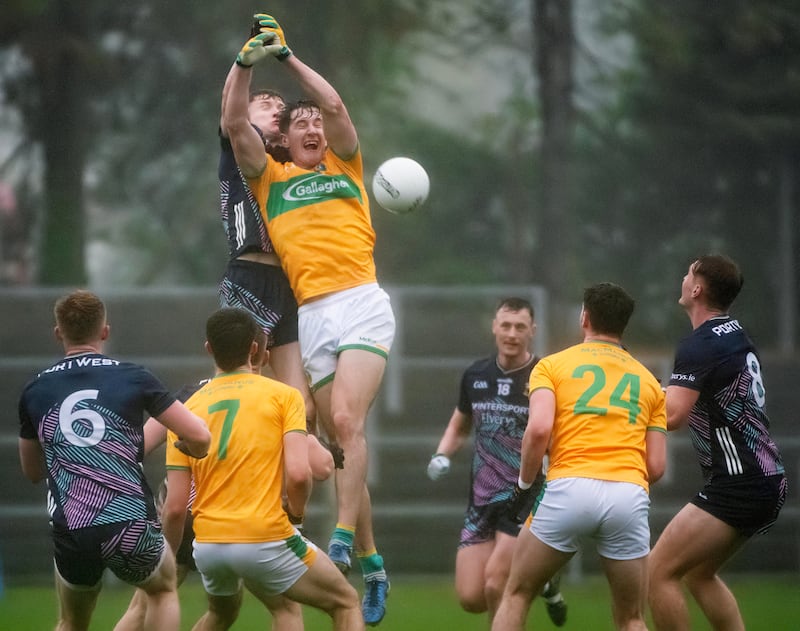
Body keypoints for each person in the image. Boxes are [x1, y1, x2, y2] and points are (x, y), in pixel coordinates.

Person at [223, 14, 394, 625]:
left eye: (316, 121)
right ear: (286, 142)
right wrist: (246, 63)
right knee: (338, 447)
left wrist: (288, 56)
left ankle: (342, 542)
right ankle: (374, 565)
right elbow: (232, 125)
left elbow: (336, 102)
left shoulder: (347, 166)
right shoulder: (270, 180)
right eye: (301, 123)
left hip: (363, 301)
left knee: (346, 419)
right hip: (314, 315)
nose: (314, 125)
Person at [114, 327, 333, 631]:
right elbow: (320, 469)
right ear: (261, 354)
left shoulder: (191, 397)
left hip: (182, 517)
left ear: (212, 350)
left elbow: (138, 448)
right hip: (241, 521)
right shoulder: (275, 398)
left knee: (149, 605)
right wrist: (316, 441)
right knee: (286, 609)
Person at [17, 289, 211, 631]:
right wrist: (192, 450)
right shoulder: (133, 376)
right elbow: (199, 435)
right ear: (105, 331)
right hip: (129, 523)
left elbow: (32, 471)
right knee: (163, 590)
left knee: (71, 621)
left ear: (58, 333)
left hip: (72, 528)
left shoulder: (34, 391)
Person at [161, 307, 363, 630]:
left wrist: (167, 558)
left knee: (222, 613)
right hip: (263, 536)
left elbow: (174, 507)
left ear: (209, 349)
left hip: (209, 545)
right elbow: (299, 474)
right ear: (255, 349)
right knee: (346, 602)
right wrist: (296, 515)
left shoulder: (186, 412)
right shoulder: (283, 396)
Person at [491, 283, 667, 631]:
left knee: (517, 593)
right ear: (623, 325)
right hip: (628, 496)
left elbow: (539, 430)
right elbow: (656, 467)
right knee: (632, 617)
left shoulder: (552, 366)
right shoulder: (649, 381)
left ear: (584, 317)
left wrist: (525, 485)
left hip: (568, 487)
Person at [648, 255, 787, 631]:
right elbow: (689, 396)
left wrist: (621, 404)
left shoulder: (701, 344)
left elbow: (672, 416)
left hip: (739, 482)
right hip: (765, 476)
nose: (682, 277)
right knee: (698, 574)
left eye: (688, 272)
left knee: (657, 572)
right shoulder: (735, 333)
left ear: (696, 289)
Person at [426, 297, 567, 627]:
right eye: (506, 325)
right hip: (482, 497)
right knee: (471, 596)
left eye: (520, 327)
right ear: (494, 327)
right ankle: (544, 580)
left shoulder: (544, 375)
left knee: (495, 584)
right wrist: (441, 454)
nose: (512, 333)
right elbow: (459, 423)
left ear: (532, 330)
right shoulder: (476, 374)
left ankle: (531, 582)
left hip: (525, 495)